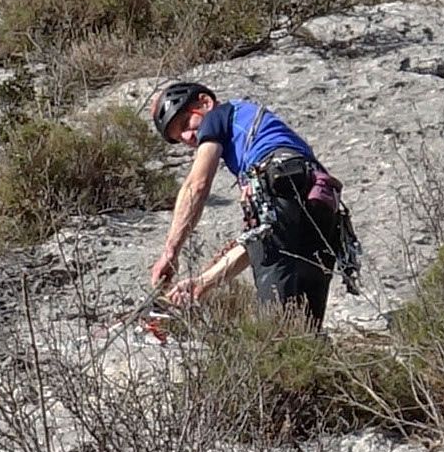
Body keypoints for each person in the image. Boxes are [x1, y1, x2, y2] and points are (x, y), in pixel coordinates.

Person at [143, 77, 358, 325]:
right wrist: (203, 284)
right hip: (321, 217)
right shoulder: (267, 138)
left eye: (185, 123)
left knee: (278, 328)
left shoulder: (219, 116)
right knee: (302, 329)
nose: (188, 136)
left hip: (284, 194)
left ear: (204, 102)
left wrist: (171, 251)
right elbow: (262, 238)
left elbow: (197, 185)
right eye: (180, 137)